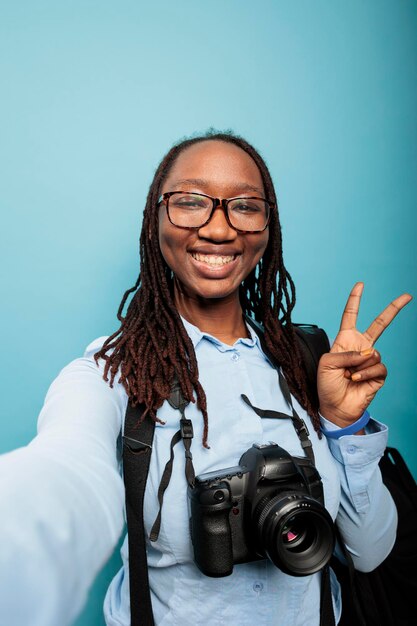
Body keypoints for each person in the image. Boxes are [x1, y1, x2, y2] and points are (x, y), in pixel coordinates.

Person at [0, 131, 412, 626]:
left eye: (245, 206)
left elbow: (367, 552)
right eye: (191, 202)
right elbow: (67, 467)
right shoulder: (110, 375)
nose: (219, 229)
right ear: (155, 219)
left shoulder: (305, 362)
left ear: (268, 225)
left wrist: (344, 424)